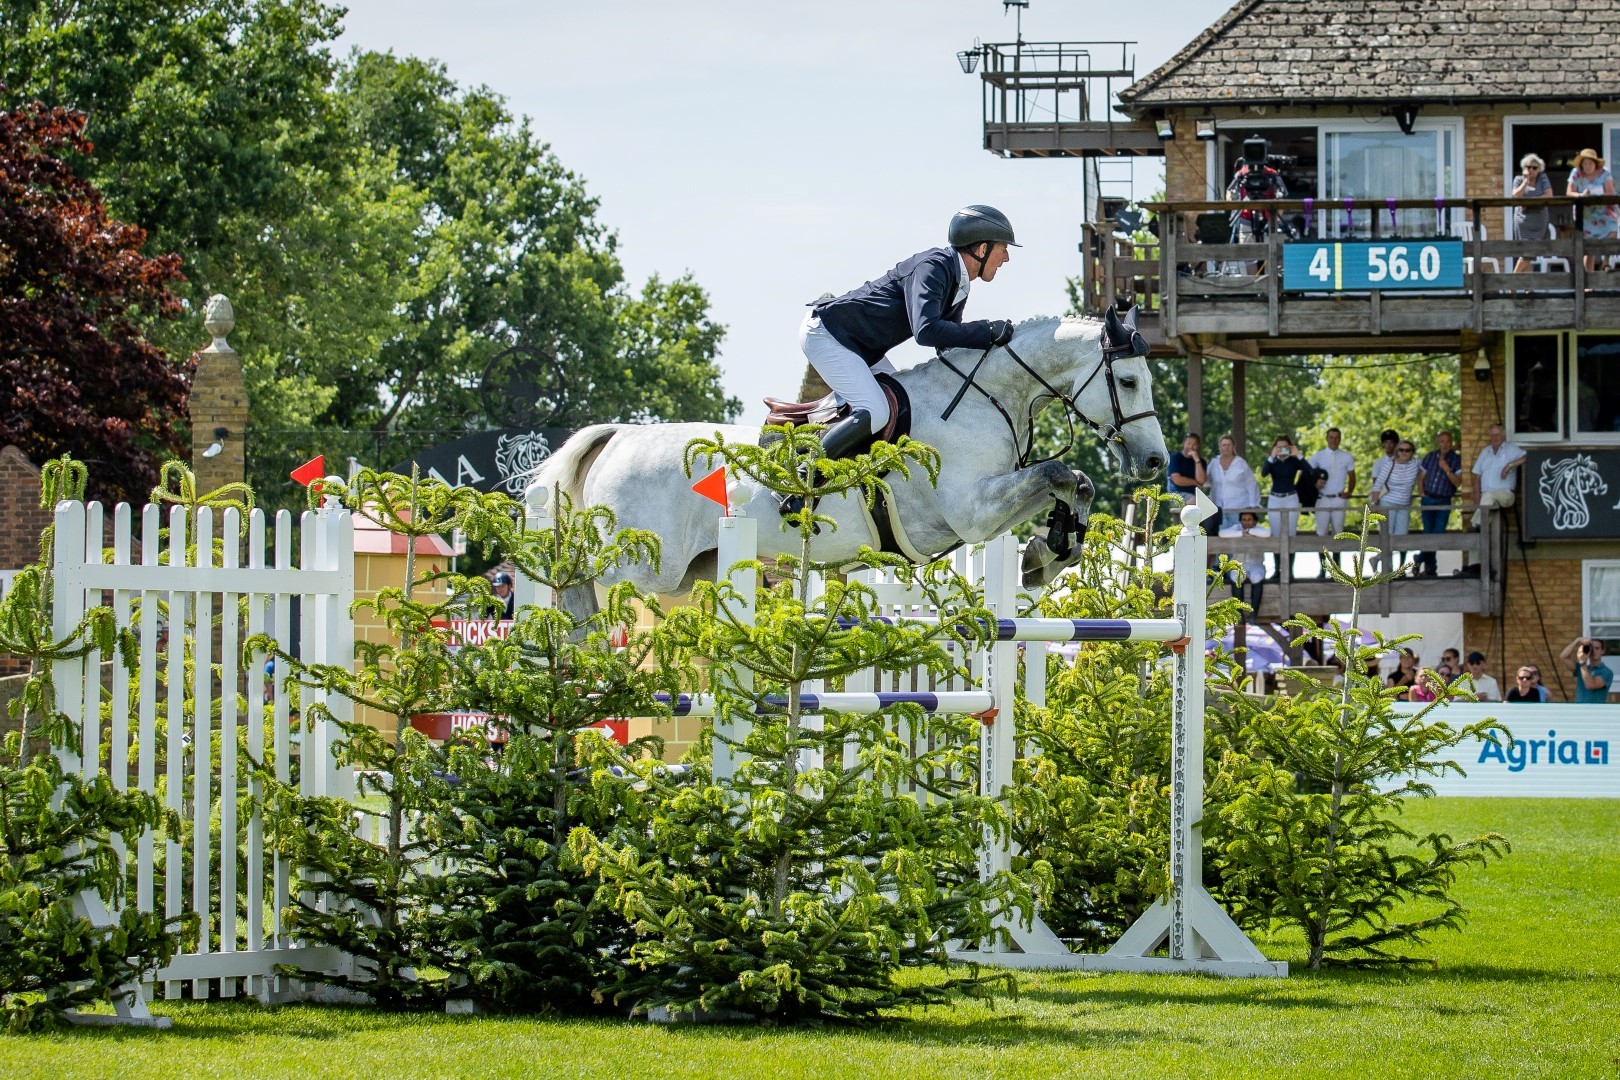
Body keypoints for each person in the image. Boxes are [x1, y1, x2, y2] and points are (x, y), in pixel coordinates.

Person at [784, 204, 1018, 516]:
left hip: (861, 347)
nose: (1006, 259)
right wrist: (985, 331)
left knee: (905, 407)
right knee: (877, 411)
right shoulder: (934, 267)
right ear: (982, 248)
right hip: (829, 334)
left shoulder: (958, 283)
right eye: (1003, 249)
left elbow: (947, 346)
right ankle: (802, 478)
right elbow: (926, 331)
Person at [1414, 431, 1463, 578]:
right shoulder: (1430, 456)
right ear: (1438, 442)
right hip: (1428, 499)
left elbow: (1458, 482)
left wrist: (1446, 468)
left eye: (1448, 441)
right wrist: (1422, 493)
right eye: (1442, 441)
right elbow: (1421, 477)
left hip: (1444, 500)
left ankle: (1419, 558)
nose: (1445, 444)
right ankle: (1431, 569)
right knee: (1428, 533)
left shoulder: (1456, 459)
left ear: (1451, 442)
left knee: (1438, 533)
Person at [1260, 435, 1309, 580]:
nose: (1282, 450)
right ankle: (1276, 570)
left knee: (1291, 534)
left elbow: (1309, 471)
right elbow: (1263, 473)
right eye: (1279, 447)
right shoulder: (1273, 461)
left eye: (1285, 447)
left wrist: (1298, 455)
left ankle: (1289, 571)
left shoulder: (1294, 461)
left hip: (1291, 498)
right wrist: (1271, 457)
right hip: (1275, 498)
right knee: (1276, 534)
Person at [1370, 438, 1424, 569]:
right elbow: (1378, 484)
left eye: (1408, 450)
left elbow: (1429, 466)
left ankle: (1376, 558)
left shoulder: (1416, 463)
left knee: (1401, 537)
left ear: (1412, 452)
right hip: (1387, 503)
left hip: (1404, 505)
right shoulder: (1390, 464)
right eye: (1401, 450)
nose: (1404, 452)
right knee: (1387, 535)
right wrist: (1373, 503)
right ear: (1397, 451)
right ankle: (1388, 570)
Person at [1309, 427, 1356, 577]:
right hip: (1322, 498)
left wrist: (1349, 492)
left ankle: (1337, 569)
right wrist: (1314, 484)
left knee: (1338, 533)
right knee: (1321, 533)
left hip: (1338, 499)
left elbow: (1352, 476)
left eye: (1336, 437)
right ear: (1326, 438)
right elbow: (1307, 475)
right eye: (1331, 437)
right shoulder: (1318, 456)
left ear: (1340, 439)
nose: (1334, 440)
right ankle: (1323, 569)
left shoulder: (1347, 456)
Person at [1225, 134, 1287, 247]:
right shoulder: (1241, 174)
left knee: (1272, 252)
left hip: (1270, 219)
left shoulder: (1272, 174)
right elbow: (1230, 191)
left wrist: (1276, 220)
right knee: (1248, 254)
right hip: (1246, 218)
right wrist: (1233, 205)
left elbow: (1282, 196)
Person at [1567, 148, 1617, 271]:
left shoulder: (1605, 173)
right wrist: (1580, 195)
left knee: (1612, 232)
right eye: (1585, 163)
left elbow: (1610, 192)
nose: (1587, 166)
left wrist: (1597, 194)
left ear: (1596, 164)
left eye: (1590, 163)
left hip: (1604, 210)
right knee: (1589, 246)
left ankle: (1605, 263)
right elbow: (1569, 192)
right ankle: (1589, 281)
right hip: (1586, 213)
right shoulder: (1576, 173)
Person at [1470, 423, 1526, 530]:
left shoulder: (1511, 449)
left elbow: (1527, 457)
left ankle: (1474, 526)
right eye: (1493, 435)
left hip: (1506, 494)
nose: (1495, 438)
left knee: (1488, 496)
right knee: (1488, 505)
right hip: (1487, 498)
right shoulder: (1485, 451)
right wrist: (1477, 502)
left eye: (1498, 435)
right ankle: (1479, 534)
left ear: (1503, 436)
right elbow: (1477, 476)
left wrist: (1509, 465)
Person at [1218, 509, 1270, 620]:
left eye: (1249, 520)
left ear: (1255, 521)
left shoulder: (1259, 529)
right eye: (1244, 520)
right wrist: (1241, 533)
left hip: (1256, 564)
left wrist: (1250, 532)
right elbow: (1222, 533)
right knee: (1236, 577)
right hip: (1239, 564)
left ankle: (1254, 614)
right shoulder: (1237, 528)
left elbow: (1267, 533)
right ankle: (1239, 614)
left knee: (1258, 576)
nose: (1246, 522)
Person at [1511, 154, 1555, 273]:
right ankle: (1525, 287)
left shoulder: (1543, 178)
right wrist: (1526, 181)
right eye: (1528, 167)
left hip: (1539, 220)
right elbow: (1515, 196)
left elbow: (1549, 195)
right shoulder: (1518, 180)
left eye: (1534, 168)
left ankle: (1514, 281)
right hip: (1523, 221)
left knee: (1531, 252)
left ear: (1539, 169)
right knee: (1526, 252)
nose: (1531, 170)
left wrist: (1529, 204)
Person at [1207, 434, 1259, 531]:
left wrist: (1252, 507)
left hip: (1239, 507)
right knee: (1222, 535)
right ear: (1220, 447)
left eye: (1229, 445)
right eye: (1224, 445)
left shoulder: (1240, 463)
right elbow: (1205, 481)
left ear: (1233, 447)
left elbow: (1251, 484)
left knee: (1237, 535)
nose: (1226, 447)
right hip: (1219, 508)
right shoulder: (1214, 463)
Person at [1559, 636, 1614, 703]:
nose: (1594, 651)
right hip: (1580, 710)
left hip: (1596, 712)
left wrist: (1582, 662)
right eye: (1591, 648)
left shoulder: (1607, 672)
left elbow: (1590, 685)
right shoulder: (1581, 667)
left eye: (1597, 648)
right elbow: (1563, 657)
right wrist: (1577, 640)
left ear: (1602, 651)